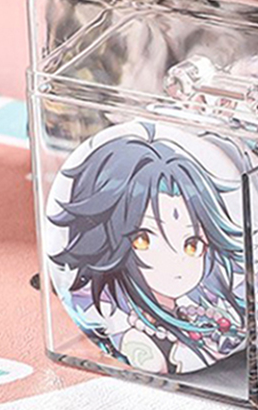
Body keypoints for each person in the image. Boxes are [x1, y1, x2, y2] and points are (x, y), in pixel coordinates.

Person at [49, 127, 246, 374]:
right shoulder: (138, 342)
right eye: (143, 240)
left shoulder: (198, 319)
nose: (176, 261)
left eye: (192, 244)